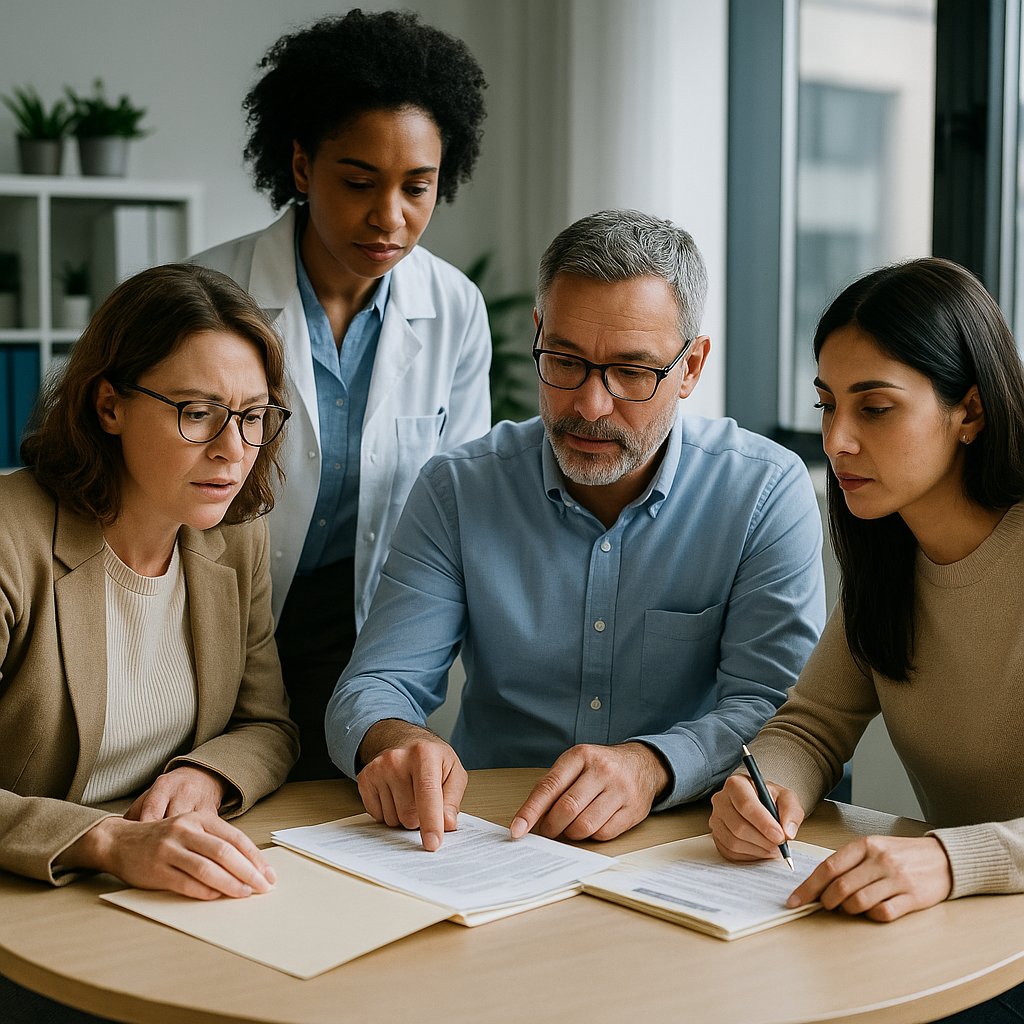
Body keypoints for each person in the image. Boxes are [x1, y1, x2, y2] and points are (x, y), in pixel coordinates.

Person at [326, 209, 826, 851]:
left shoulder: (762, 491)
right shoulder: (458, 488)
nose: (590, 405)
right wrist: (397, 740)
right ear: (538, 335)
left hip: (687, 842)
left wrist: (652, 765)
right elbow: (374, 686)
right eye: (565, 361)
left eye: (632, 372)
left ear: (692, 367)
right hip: (491, 840)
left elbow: (779, 712)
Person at [708, 257, 1024, 1022]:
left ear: (970, 412)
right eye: (826, 405)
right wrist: (764, 787)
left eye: (875, 408)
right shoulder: (888, 554)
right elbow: (813, 724)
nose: (838, 440)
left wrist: (953, 858)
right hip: (973, 934)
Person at [193, 9, 492, 782]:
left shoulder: (454, 308)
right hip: (213, 617)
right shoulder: (209, 295)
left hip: (365, 636)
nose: (389, 218)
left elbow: (455, 494)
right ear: (300, 167)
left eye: (417, 187)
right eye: (358, 182)